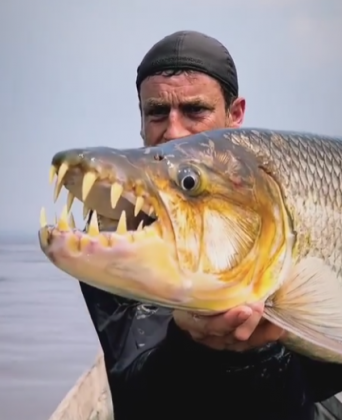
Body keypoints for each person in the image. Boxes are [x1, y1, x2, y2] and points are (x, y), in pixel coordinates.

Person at [80, 30, 342, 420]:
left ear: (234, 115)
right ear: (140, 120)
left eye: (194, 110)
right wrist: (192, 344)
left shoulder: (273, 193)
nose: (172, 130)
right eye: (156, 112)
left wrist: (267, 345)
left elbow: (322, 375)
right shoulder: (113, 232)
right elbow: (134, 386)